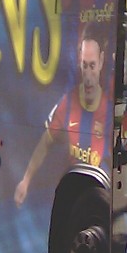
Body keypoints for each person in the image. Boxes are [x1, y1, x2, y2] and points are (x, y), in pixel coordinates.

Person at [15, 25, 110, 206]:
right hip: (73, 195)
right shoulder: (67, 103)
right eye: (84, 66)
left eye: (92, 66)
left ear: (102, 61)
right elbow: (45, 144)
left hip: (101, 197)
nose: (88, 75)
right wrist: (25, 181)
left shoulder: (111, 111)